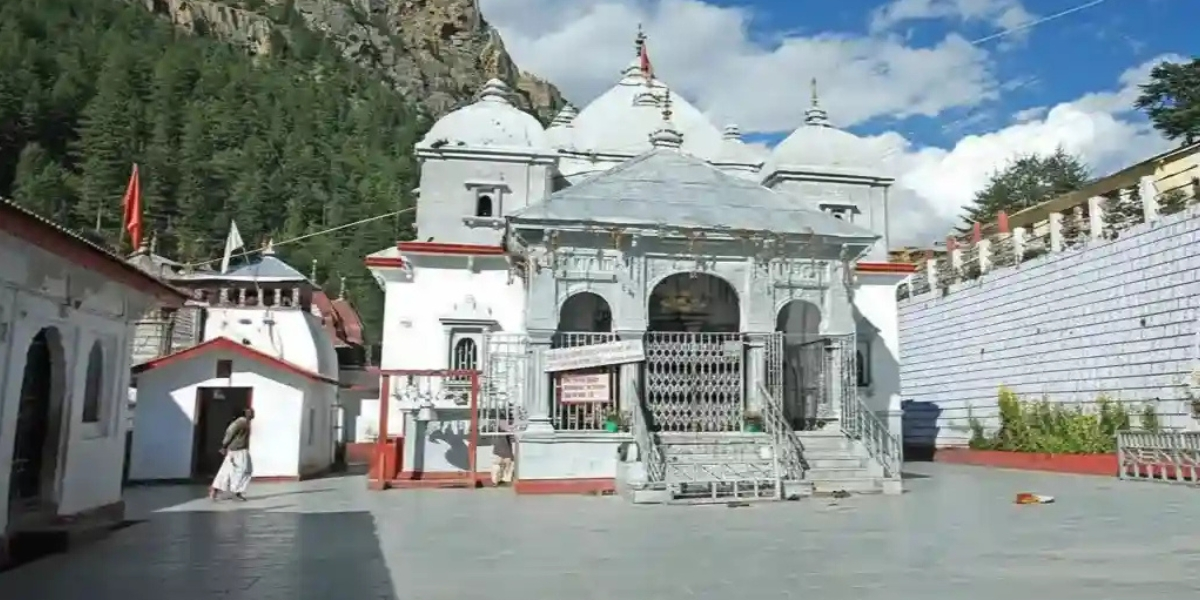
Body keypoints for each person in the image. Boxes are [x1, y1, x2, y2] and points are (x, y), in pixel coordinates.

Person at [210, 408, 254, 501]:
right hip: (238, 450)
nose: (252, 414)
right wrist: (224, 445)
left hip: (238, 450)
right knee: (244, 470)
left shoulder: (245, 422)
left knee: (228, 470)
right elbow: (230, 432)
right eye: (250, 412)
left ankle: (216, 489)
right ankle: (235, 491)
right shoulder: (240, 422)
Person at [490, 421, 515, 487]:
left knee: (500, 466)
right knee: (501, 466)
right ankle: (501, 480)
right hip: (502, 451)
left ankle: (498, 481)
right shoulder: (502, 430)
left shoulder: (501, 431)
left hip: (501, 451)